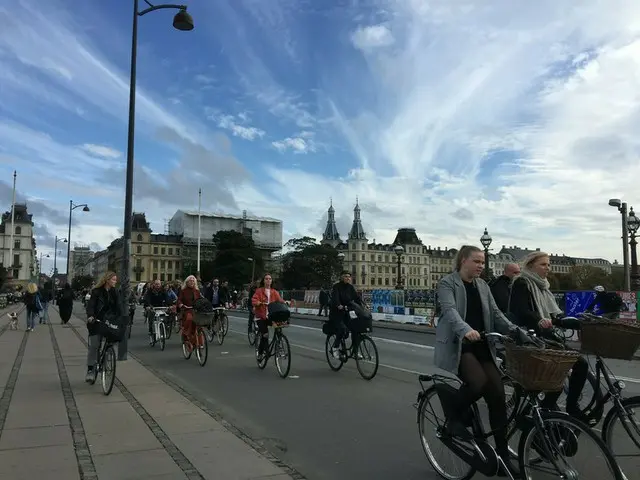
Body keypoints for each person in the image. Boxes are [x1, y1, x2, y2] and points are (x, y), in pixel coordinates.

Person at [436, 245, 526, 477]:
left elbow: (496, 315)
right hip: (461, 345)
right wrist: (465, 330)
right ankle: (453, 418)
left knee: (497, 395)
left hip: (482, 345)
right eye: (476, 261)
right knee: (477, 383)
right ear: (463, 260)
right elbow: (450, 311)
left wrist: (516, 330)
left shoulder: (483, 286)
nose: (481, 266)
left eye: (483, 262)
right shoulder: (448, 283)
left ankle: (502, 456)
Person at [508, 251, 590, 422]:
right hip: (530, 337)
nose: (548, 268)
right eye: (543, 264)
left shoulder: (543, 285)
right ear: (531, 266)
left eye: (549, 264)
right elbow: (520, 310)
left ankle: (569, 406)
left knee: (579, 365)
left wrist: (576, 321)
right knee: (556, 378)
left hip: (546, 335)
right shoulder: (522, 282)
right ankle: (546, 413)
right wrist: (539, 320)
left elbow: (553, 316)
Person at [85, 272, 122, 382]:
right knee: (94, 345)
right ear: (107, 280)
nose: (115, 282)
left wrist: (121, 318)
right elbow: (91, 305)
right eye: (113, 280)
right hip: (96, 321)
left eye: (116, 280)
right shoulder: (96, 292)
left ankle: (108, 357)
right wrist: (91, 316)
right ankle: (90, 370)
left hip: (109, 321)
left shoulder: (115, 292)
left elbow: (118, 307)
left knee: (113, 339)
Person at [329, 271, 364, 357]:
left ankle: (355, 351)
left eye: (349, 277)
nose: (347, 278)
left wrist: (363, 305)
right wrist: (338, 305)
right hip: (337, 313)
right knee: (342, 329)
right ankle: (335, 347)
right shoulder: (336, 287)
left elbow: (356, 298)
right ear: (341, 277)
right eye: (345, 276)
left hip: (347, 312)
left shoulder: (350, 287)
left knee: (356, 329)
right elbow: (335, 298)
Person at [251, 273, 285, 359]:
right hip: (261, 316)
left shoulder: (274, 291)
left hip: (271, 315)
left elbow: (280, 300)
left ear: (272, 281)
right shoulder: (259, 291)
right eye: (266, 279)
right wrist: (258, 303)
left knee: (279, 327)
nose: (268, 280)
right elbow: (254, 299)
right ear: (263, 280)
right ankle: (261, 352)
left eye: (270, 279)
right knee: (265, 335)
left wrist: (285, 302)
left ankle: (279, 344)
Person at [177, 275, 201, 346]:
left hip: (196, 310)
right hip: (187, 309)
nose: (192, 282)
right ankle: (185, 333)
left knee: (200, 324)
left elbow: (200, 300)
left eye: (193, 281)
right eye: (190, 281)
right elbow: (179, 300)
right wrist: (181, 304)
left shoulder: (197, 291)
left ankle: (200, 342)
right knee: (189, 319)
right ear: (187, 282)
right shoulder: (183, 291)